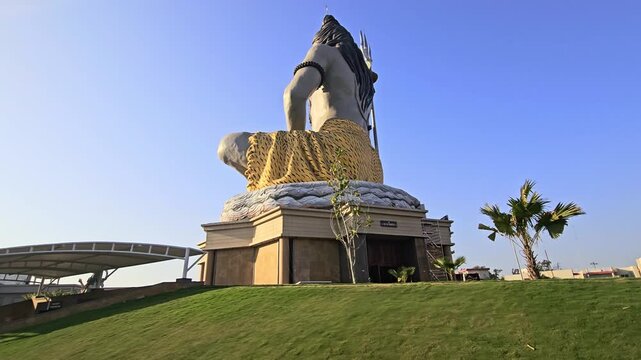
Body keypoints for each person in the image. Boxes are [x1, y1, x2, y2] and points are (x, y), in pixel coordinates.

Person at [218, 15, 383, 191]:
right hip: (372, 166)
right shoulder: (364, 79)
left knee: (227, 145)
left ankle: (278, 191)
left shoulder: (323, 51)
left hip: (333, 153)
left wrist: (294, 149)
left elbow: (293, 95)